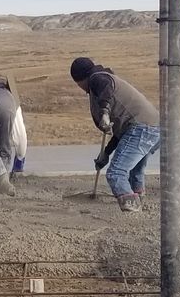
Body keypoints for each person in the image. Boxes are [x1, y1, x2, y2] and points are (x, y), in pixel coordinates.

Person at [69, 56, 161, 213]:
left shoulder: (98, 79)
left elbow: (106, 89)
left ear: (80, 80)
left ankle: (131, 207)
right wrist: (105, 153)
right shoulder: (105, 78)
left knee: (116, 173)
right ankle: (137, 197)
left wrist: (104, 112)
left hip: (141, 128)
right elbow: (121, 135)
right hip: (152, 127)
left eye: (78, 84)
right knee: (135, 170)